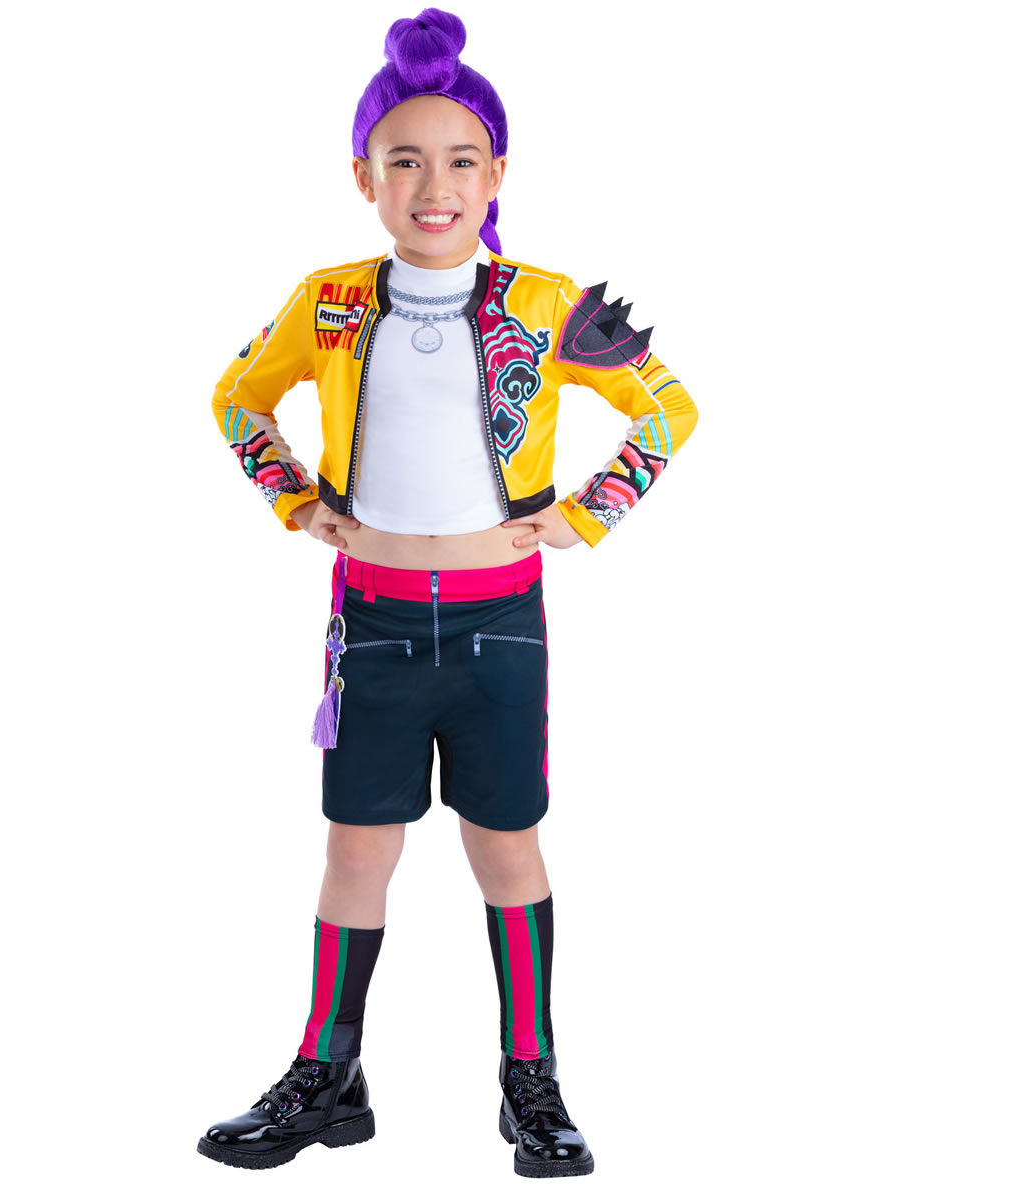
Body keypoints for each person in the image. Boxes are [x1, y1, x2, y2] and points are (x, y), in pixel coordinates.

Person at [196, 7, 699, 1179]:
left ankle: (533, 1080)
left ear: (498, 174)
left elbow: (670, 408)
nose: (435, 187)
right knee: (355, 853)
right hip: (370, 626)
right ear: (363, 175)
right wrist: (295, 499)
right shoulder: (328, 301)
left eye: (461, 160)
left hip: (498, 628)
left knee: (507, 849)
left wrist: (585, 512)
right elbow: (235, 397)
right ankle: (329, 1072)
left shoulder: (549, 304)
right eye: (406, 160)